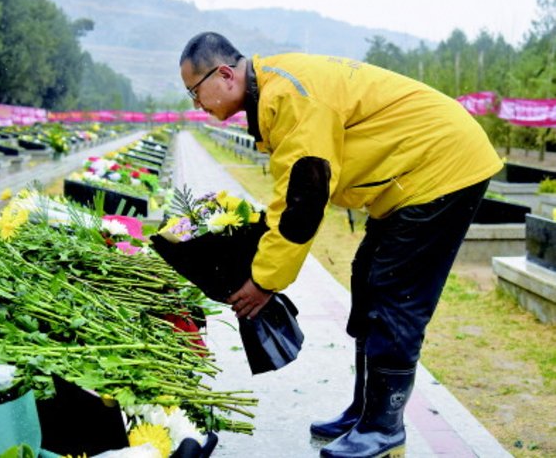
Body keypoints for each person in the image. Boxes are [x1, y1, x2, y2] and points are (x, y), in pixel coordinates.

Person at [179, 32, 502, 458]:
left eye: (194, 91)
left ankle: (384, 430)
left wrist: (264, 281)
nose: (196, 104)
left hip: (441, 167)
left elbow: (305, 200)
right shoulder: (275, 91)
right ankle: (366, 412)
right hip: (411, 177)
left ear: (223, 74)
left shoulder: (288, 95)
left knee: (394, 292)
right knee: (367, 279)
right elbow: (288, 195)